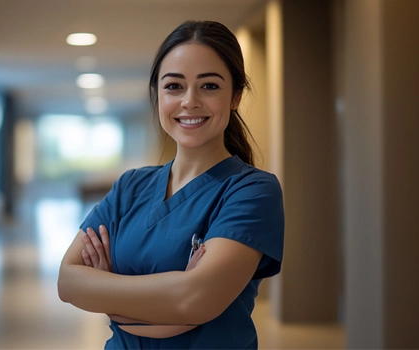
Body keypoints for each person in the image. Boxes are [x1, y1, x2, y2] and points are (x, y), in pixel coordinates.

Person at [58, 20, 284, 349]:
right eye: (174, 86)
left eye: (209, 86)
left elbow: (195, 299)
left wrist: (108, 290)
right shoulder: (129, 187)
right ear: (158, 95)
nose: (189, 101)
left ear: (235, 96)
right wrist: (177, 291)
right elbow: (68, 281)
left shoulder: (252, 191)